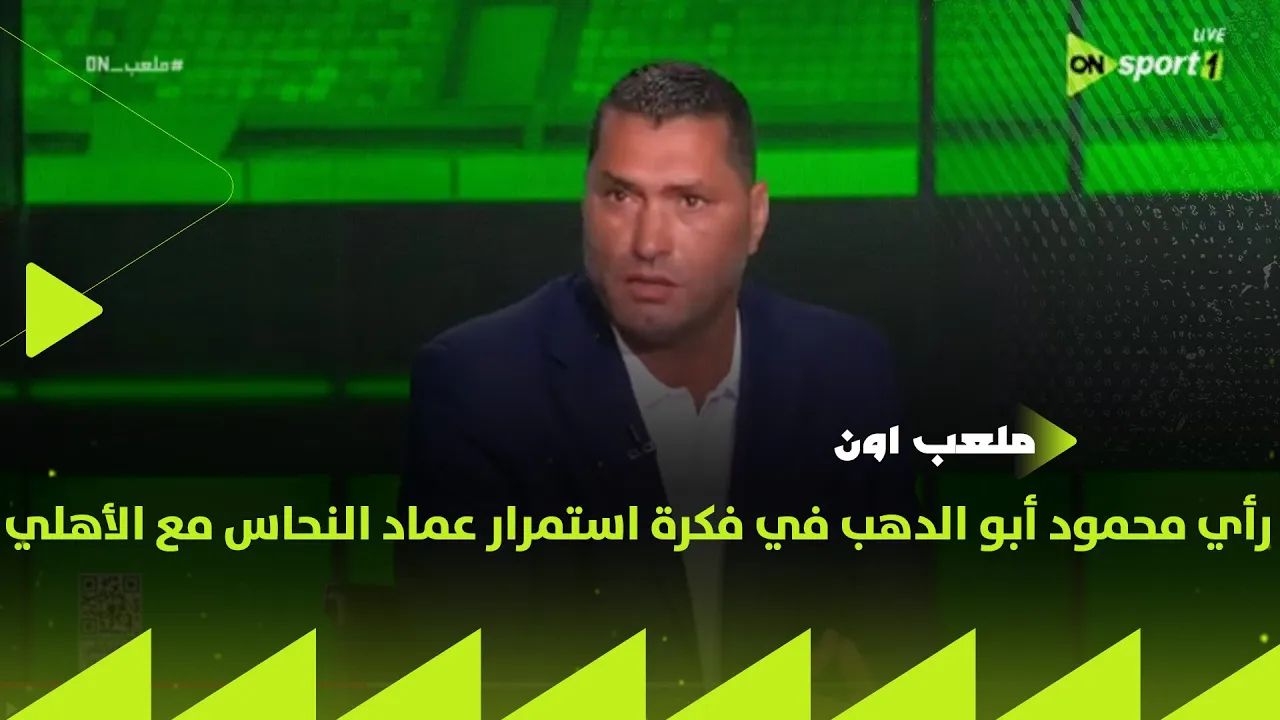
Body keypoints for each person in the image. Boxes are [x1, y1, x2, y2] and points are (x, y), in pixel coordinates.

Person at [396, 61, 935, 718]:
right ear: (585, 202)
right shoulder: (478, 389)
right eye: (620, 196)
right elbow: (473, 684)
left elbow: (898, 647)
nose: (648, 242)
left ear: (755, 217)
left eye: (690, 202)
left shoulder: (848, 375)